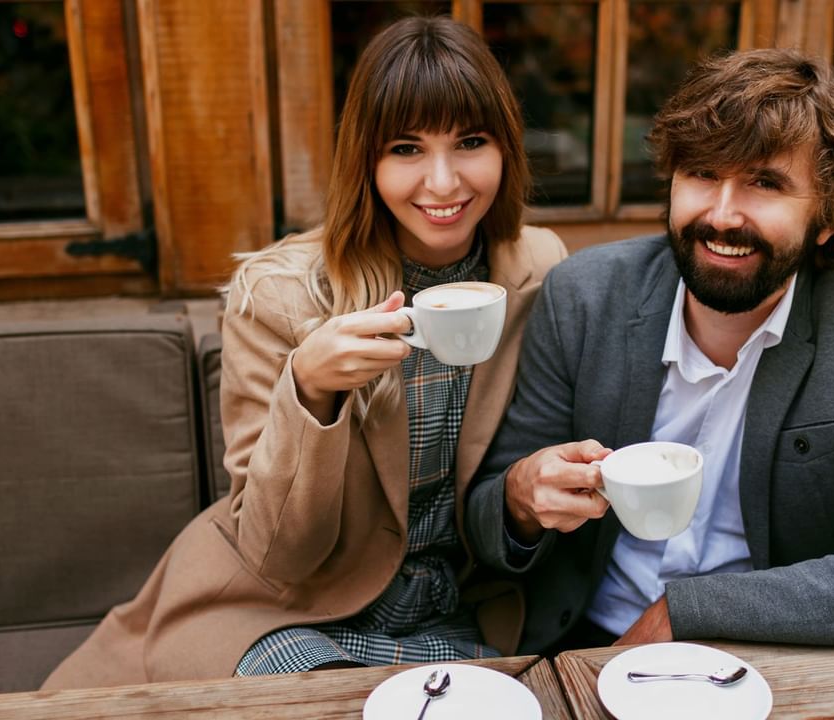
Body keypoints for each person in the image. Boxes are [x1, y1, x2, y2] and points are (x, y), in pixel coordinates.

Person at [43, 15, 566, 687]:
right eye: (406, 148)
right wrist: (311, 391)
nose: (443, 182)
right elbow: (276, 552)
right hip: (279, 608)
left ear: (506, 148)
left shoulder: (534, 268)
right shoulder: (281, 294)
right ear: (367, 162)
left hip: (449, 611)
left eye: (470, 141)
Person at [465, 48, 834, 654]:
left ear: (827, 216)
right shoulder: (585, 297)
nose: (721, 215)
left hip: (765, 654)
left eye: (765, 183)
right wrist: (521, 498)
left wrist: (688, 612)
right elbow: (486, 527)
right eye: (701, 175)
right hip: (581, 645)